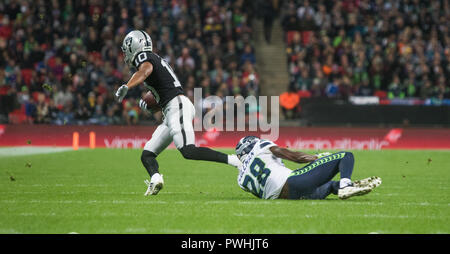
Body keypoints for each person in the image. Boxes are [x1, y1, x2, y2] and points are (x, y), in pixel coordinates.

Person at [115, 30, 242, 196]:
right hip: (171, 109)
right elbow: (161, 90)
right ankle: (155, 178)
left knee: (188, 151)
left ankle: (235, 161)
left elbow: (144, 71)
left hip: (177, 106)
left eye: (126, 48)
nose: (125, 53)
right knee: (147, 155)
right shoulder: (155, 58)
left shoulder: (143, 57)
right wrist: (151, 102)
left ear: (134, 45)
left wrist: (127, 85)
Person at [235, 136, 381, 200]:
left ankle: (348, 186)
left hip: (289, 197)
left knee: (330, 186)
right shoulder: (260, 147)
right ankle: (346, 184)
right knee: (346, 156)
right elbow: (294, 157)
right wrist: (316, 158)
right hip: (294, 182)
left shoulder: (240, 180)